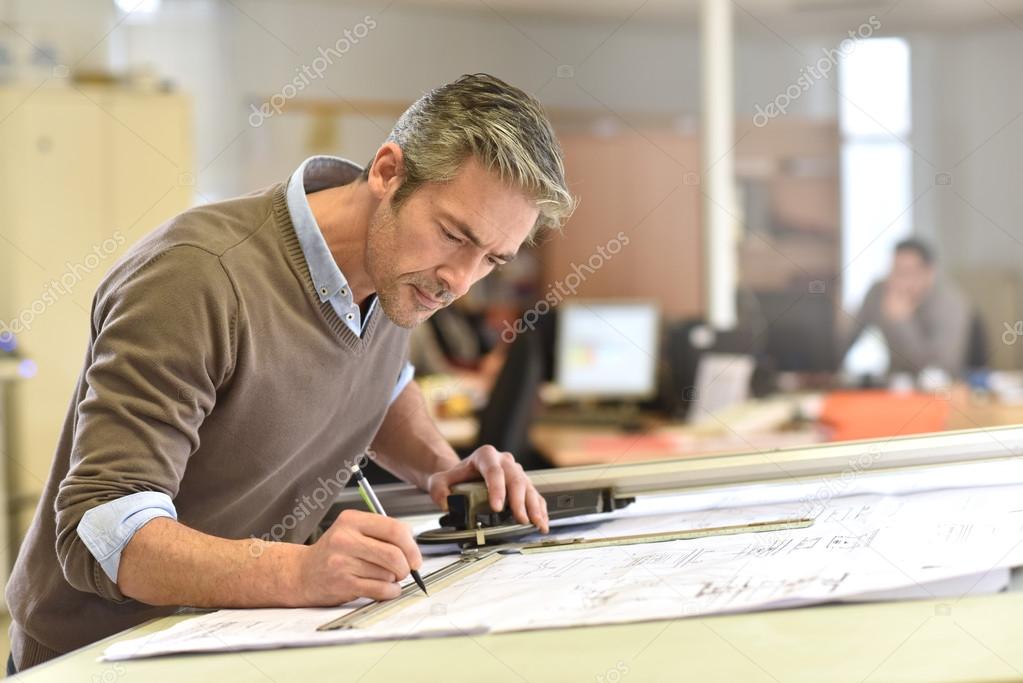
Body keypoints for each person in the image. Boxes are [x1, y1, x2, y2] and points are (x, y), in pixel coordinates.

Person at [4, 73, 575, 673]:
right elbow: (103, 530)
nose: (460, 279)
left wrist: (441, 470)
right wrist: (300, 571)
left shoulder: (397, 271)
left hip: (243, 636)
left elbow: (384, 379)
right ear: (387, 172)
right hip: (107, 657)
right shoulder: (196, 277)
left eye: (492, 258)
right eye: (455, 235)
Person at [844, 238, 971, 377]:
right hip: (893, 385)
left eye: (906, 273)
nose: (897, 282)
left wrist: (902, 323)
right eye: (894, 272)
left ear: (929, 273)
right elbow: (847, 338)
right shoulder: (879, 292)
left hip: (938, 389)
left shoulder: (950, 303)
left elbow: (939, 367)